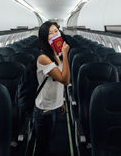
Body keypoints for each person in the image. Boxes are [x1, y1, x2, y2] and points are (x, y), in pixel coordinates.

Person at [33, 21, 70, 156]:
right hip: (45, 110)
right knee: (43, 147)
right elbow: (65, 80)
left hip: (54, 105)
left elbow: (56, 83)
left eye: (56, 31)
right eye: (50, 33)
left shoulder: (55, 54)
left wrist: (62, 100)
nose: (55, 34)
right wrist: (65, 54)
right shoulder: (43, 57)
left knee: (49, 140)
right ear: (44, 37)